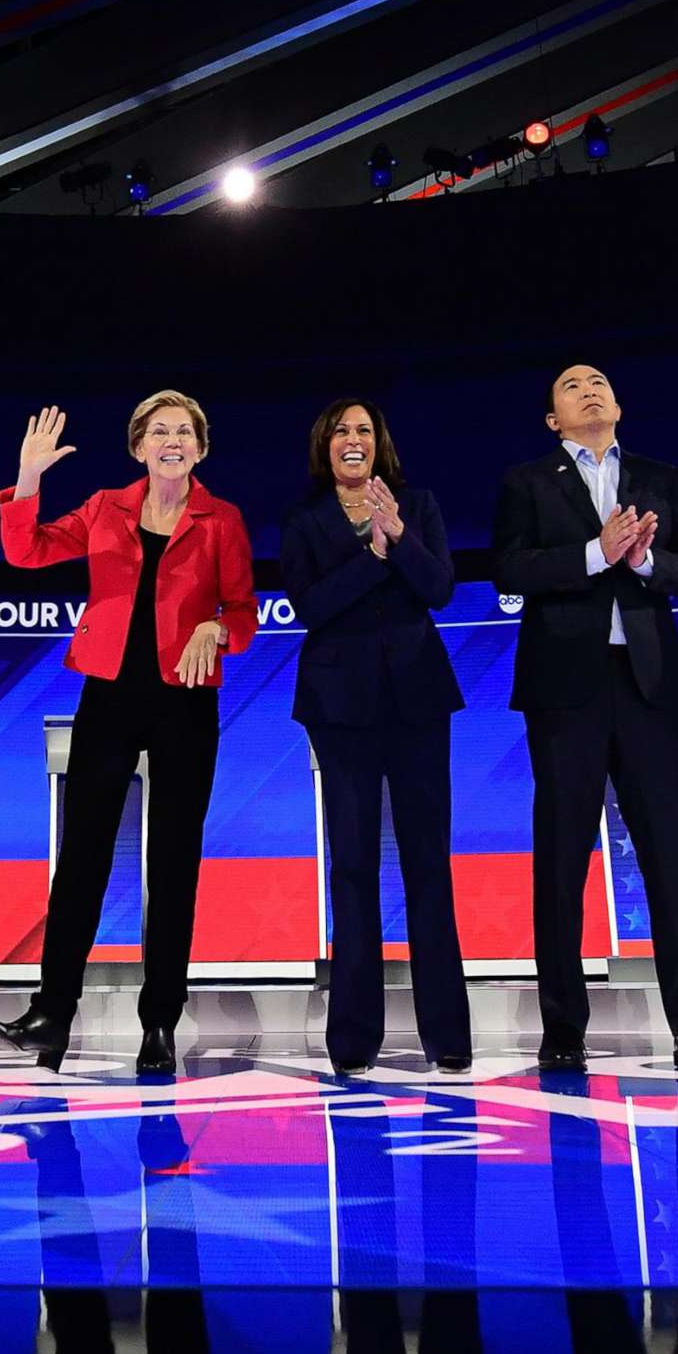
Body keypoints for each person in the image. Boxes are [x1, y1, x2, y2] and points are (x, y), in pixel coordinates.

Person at [0, 393, 255, 1073]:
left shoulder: (222, 520)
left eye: (184, 432)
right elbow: (27, 552)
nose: (172, 440)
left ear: (201, 448)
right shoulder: (106, 507)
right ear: (138, 447)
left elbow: (242, 609)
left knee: (173, 862)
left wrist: (216, 627)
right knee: (84, 859)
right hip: (108, 693)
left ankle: (159, 1022)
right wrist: (30, 479)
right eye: (158, 431)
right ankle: (51, 1015)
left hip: (186, 701)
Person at [494, 365, 678, 1075]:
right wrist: (597, 553)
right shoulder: (527, 482)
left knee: (668, 862)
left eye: (599, 382)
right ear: (553, 419)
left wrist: (645, 559)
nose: (589, 391)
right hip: (564, 688)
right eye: (572, 387)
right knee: (563, 862)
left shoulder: (661, 476)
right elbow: (512, 569)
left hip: (647, 687)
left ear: (619, 404)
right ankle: (563, 1031)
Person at [279, 398, 471, 1075]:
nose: (353, 440)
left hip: (418, 701)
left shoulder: (415, 505)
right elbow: (312, 606)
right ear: (324, 447)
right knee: (353, 868)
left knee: (428, 867)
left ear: (379, 443)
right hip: (340, 709)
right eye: (340, 432)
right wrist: (374, 550)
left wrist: (401, 537)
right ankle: (353, 1040)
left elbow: (441, 589)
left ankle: (446, 1035)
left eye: (363, 430)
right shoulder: (305, 519)